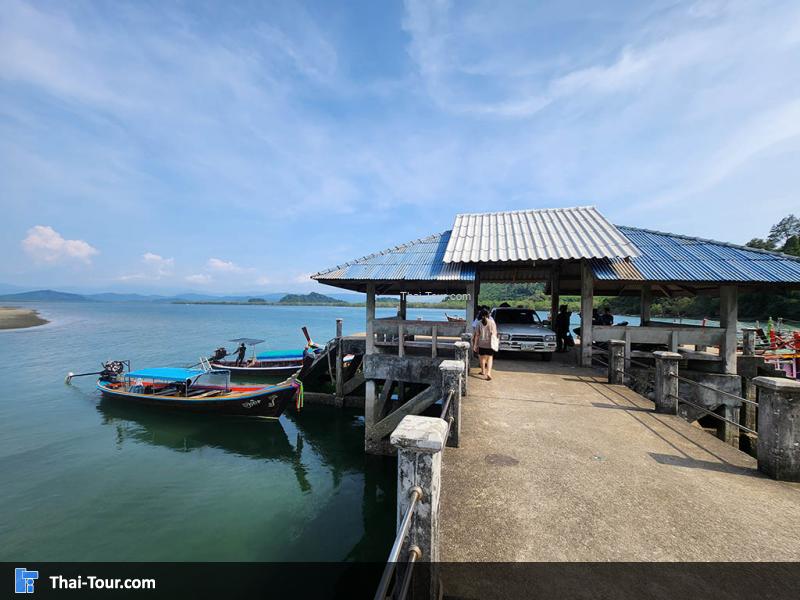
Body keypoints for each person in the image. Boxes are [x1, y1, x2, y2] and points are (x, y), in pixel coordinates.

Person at [472, 308, 498, 380]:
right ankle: (488, 373)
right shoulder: (492, 322)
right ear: (488, 315)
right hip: (490, 344)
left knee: (482, 358)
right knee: (489, 358)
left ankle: (483, 371)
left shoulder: (478, 323)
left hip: (481, 344)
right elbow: (495, 333)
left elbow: (477, 335)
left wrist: (475, 345)